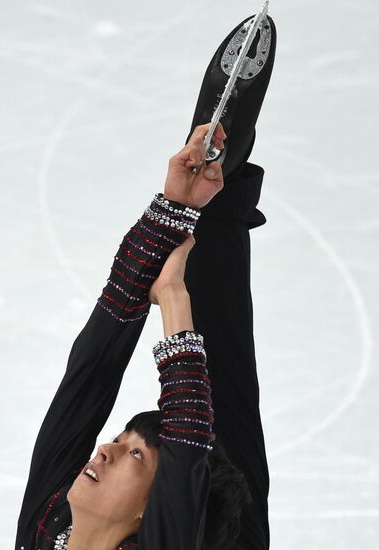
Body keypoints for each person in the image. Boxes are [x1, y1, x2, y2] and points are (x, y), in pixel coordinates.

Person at [15, 122, 253, 550]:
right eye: (131, 448)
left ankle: (217, 213)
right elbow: (184, 432)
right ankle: (223, 205)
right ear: (155, 507)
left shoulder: (45, 526)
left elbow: (89, 375)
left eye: (131, 451)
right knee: (230, 392)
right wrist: (172, 281)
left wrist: (172, 230)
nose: (105, 448)